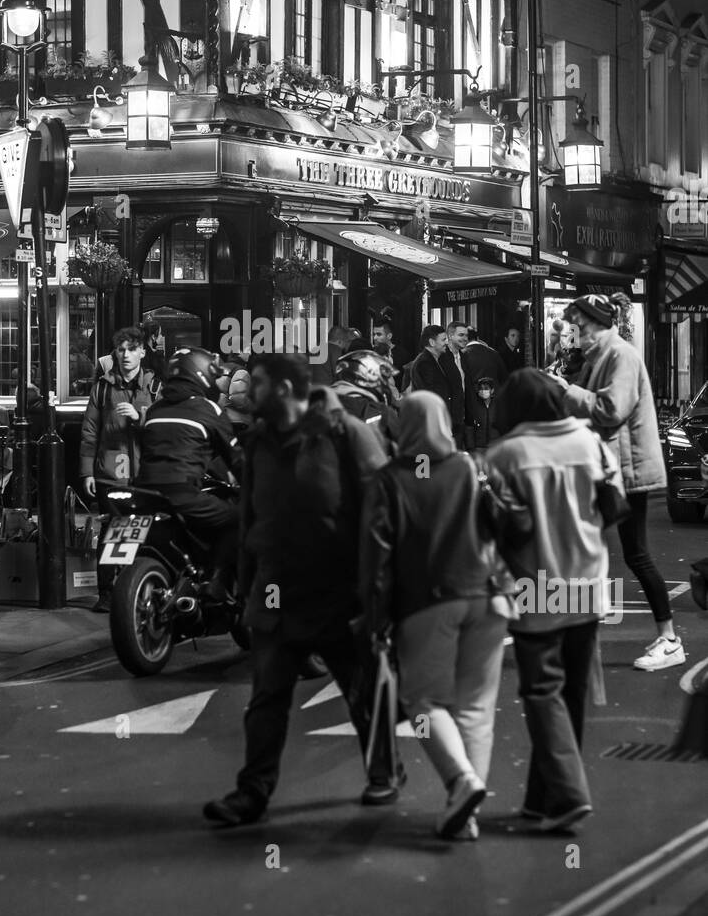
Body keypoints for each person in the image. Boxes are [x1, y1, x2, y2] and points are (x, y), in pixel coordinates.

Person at [203, 354, 390, 827]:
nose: (247, 394)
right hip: (274, 593)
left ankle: (384, 770)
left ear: (284, 389)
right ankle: (252, 793)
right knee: (266, 699)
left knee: (360, 692)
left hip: (337, 590)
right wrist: (245, 585)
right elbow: (249, 519)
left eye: (258, 385)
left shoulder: (345, 433)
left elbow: (382, 511)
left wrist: (379, 590)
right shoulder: (259, 442)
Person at [358, 392, 513, 841]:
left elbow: (376, 560)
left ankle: (461, 782)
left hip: (429, 600)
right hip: (488, 596)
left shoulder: (388, 480)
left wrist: (375, 621)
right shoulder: (468, 466)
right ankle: (464, 815)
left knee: (422, 703)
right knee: (476, 710)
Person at [486, 369, 612, 832]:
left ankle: (568, 795)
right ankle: (543, 800)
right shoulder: (588, 441)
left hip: (537, 586)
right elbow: (610, 505)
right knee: (571, 694)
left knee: (542, 693)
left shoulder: (504, 455)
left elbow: (494, 528)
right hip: (589, 583)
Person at [556, 293, 684, 673]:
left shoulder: (620, 355)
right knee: (589, 546)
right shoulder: (600, 356)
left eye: (577, 325)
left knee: (636, 554)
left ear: (595, 324)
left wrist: (566, 391)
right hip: (610, 469)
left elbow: (611, 409)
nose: (573, 332)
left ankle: (670, 638)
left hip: (626, 472)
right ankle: (582, 628)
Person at [136, 347, 241, 602]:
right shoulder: (208, 409)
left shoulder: (155, 410)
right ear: (200, 374)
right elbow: (236, 458)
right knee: (239, 518)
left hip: (144, 495)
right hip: (182, 493)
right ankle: (215, 582)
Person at [80, 327, 157, 612]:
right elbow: (90, 431)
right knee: (113, 529)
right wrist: (87, 472)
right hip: (110, 472)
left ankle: (135, 588)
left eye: (130, 349)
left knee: (141, 531)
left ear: (142, 353)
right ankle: (108, 593)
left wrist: (141, 417)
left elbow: (163, 428)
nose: (125, 355)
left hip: (143, 473)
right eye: (120, 350)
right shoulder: (102, 386)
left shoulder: (155, 387)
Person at [332, 349, 400, 451]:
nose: (386, 384)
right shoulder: (380, 412)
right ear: (369, 374)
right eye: (384, 378)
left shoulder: (318, 403)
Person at [405, 324, 452, 406]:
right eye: (443, 340)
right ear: (432, 342)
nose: (447, 342)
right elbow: (430, 393)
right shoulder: (424, 363)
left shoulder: (437, 359)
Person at [441, 320, 469, 448]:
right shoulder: (441, 357)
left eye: (466, 335)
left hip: (461, 417)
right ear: (450, 336)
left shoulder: (464, 357)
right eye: (461, 335)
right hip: (447, 417)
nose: (465, 339)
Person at [465, 376, 500, 451]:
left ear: (492, 390)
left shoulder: (498, 406)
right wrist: (471, 447)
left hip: (495, 447)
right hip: (478, 448)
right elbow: (469, 427)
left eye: (486, 389)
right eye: (481, 389)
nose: (483, 391)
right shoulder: (474, 406)